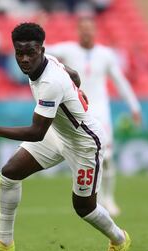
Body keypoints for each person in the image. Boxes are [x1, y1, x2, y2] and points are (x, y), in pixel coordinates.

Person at [0, 22, 131, 251]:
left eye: (31, 52)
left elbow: (36, 132)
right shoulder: (48, 60)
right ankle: (4, 242)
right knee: (10, 173)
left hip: (85, 144)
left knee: (84, 207)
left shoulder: (50, 83)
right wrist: (75, 93)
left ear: (41, 49)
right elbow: (74, 75)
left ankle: (119, 239)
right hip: (58, 134)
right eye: (20, 53)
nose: (25, 59)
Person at [46, 16, 141, 217]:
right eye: (83, 28)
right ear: (78, 30)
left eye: (90, 28)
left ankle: (109, 198)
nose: (87, 32)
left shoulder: (105, 54)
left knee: (106, 157)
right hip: (78, 111)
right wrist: (39, 28)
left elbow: (120, 81)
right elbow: (44, 50)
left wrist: (134, 106)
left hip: (101, 113)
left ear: (95, 31)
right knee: (82, 157)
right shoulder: (68, 50)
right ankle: (91, 198)